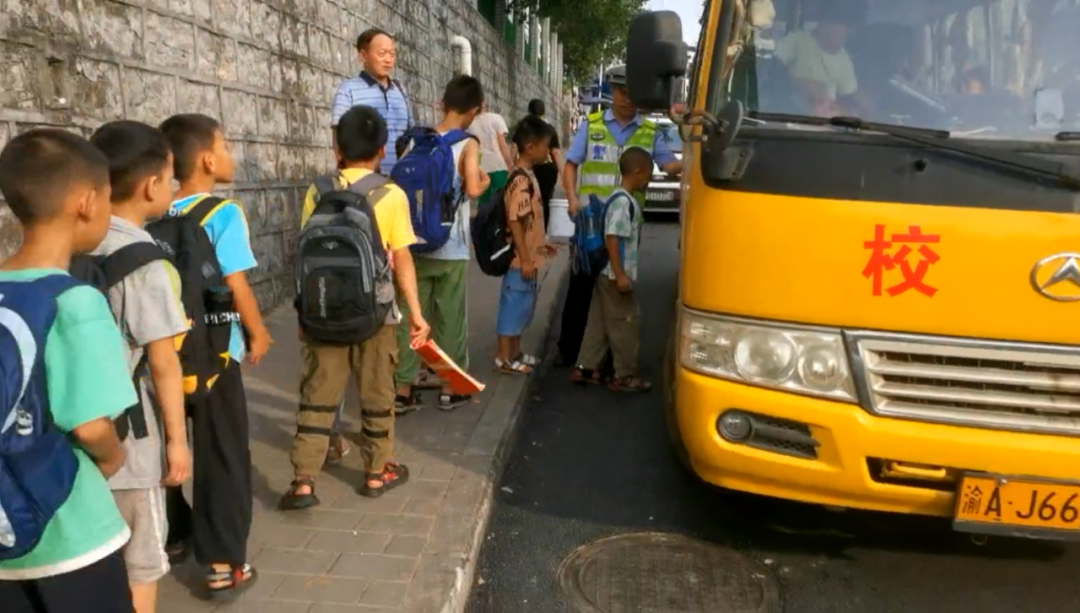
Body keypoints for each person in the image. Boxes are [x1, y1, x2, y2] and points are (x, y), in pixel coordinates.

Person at [0, 129, 135, 612]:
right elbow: (90, 426)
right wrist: (113, 459)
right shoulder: (75, 301)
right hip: (72, 535)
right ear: (86, 202)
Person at [279, 106, 430, 509]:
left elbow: (305, 256)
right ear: (382, 151)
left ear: (337, 149)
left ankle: (303, 481)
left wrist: (302, 313)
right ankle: (377, 472)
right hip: (375, 315)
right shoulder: (391, 194)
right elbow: (402, 260)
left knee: (317, 394)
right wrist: (416, 314)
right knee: (377, 392)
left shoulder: (317, 190)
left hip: (323, 311)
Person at [158, 113, 266, 599]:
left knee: (169, 442)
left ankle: (175, 534)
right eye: (224, 146)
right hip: (217, 358)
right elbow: (236, 284)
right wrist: (258, 334)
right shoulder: (223, 213)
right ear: (206, 159)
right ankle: (223, 565)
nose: (229, 155)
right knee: (222, 452)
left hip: (164, 355)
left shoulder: (155, 213)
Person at [87, 121, 193, 613]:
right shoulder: (145, 263)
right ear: (152, 185)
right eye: (171, 177)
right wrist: (177, 442)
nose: (174, 186)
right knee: (140, 567)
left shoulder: (71, 245)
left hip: (74, 439)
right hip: (130, 443)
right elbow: (164, 363)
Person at [558, 65, 680, 369]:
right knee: (581, 286)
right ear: (611, 91)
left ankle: (609, 356)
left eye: (633, 94)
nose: (627, 99)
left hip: (624, 228)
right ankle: (569, 351)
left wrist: (698, 150)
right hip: (590, 223)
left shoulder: (650, 132)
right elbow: (571, 164)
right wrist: (571, 198)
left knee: (616, 288)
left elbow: (670, 167)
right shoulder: (592, 125)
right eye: (622, 92)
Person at [393, 75, 489, 414]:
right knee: (450, 319)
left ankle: (402, 388)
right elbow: (473, 189)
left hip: (412, 244)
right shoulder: (468, 144)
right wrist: (483, 180)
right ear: (476, 110)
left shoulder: (414, 140)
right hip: (451, 246)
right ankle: (451, 388)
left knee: (410, 316)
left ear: (442, 104)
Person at [572, 147, 653, 392]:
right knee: (626, 323)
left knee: (598, 322)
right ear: (637, 172)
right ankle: (624, 375)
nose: (648, 180)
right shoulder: (623, 203)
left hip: (604, 273)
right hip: (614, 275)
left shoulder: (616, 197)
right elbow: (612, 238)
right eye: (648, 174)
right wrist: (620, 275)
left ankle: (586, 368)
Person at [495, 115, 557, 374]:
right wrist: (526, 258)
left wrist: (541, 246)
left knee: (522, 307)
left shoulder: (526, 175)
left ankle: (515, 352)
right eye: (545, 146)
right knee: (512, 308)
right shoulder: (521, 180)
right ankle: (504, 358)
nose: (548, 152)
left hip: (527, 256)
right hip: (519, 260)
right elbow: (516, 222)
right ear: (530, 147)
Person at [331, 28, 413, 175]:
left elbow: (410, 134)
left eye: (392, 54)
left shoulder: (400, 91)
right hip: (364, 180)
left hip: (400, 179)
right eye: (381, 54)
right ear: (363, 56)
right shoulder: (348, 90)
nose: (388, 60)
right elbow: (338, 136)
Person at [774, 17, 869, 116]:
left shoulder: (844, 59)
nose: (842, 32)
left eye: (845, 28)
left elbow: (848, 96)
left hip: (824, 120)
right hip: (788, 113)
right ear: (824, 24)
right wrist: (801, 83)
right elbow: (772, 70)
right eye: (837, 25)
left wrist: (855, 105)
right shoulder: (797, 40)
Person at [526, 99, 564, 231]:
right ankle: (543, 231)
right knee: (545, 200)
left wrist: (512, 166)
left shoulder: (524, 128)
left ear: (529, 112)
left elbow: (514, 148)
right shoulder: (550, 129)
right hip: (548, 169)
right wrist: (563, 175)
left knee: (528, 198)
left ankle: (530, 230)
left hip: (530, 168)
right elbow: (556, 153)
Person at [468, 101, 514, 211]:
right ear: (484, 103)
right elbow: (502, 145)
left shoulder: (469, 123)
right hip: (498, 167)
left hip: (481, 169)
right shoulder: (496, 118)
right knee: (501, 203)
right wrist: (510, 165)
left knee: (483, 205)